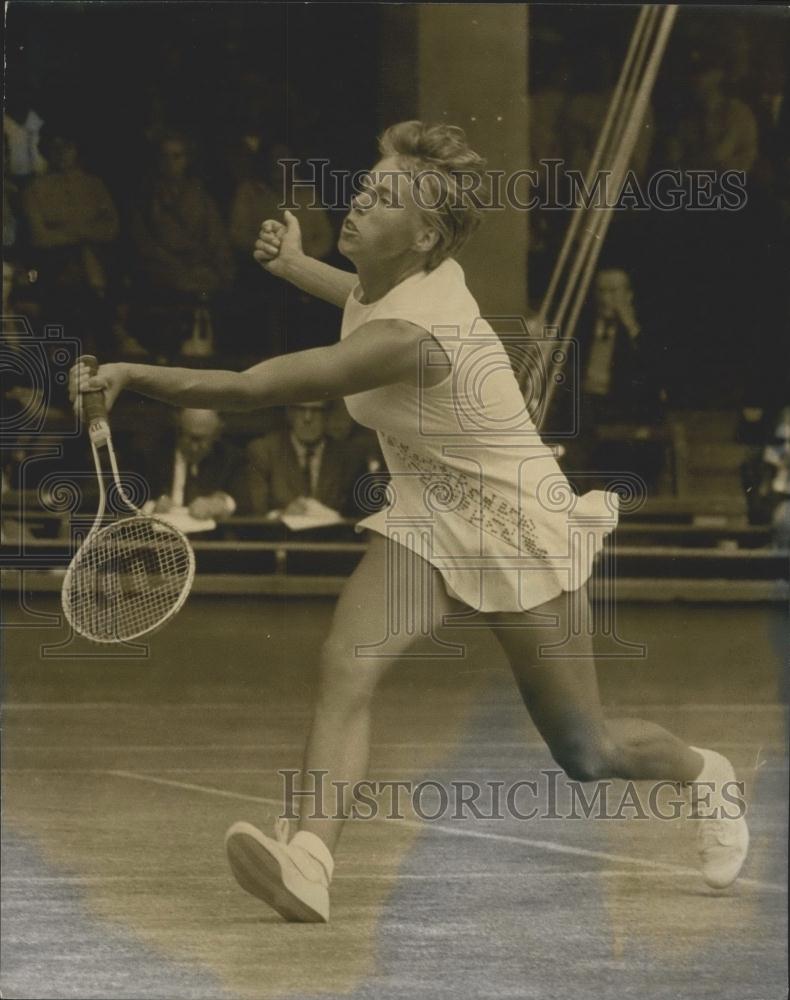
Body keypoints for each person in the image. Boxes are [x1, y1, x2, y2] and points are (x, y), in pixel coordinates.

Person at [71, 120, 749, 924]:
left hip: (514, 524)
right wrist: (294, 265)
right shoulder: (395, 287)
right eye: (366, 184)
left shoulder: (412, 336)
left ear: (424, 233)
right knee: (347, 662)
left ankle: (707, 774)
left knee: (587, 751)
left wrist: (130, 372)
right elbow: (358, 299)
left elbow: (254, 389)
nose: (358, 201)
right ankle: (311, 859)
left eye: (383, 198)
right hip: (427, 511)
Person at [245, 401, 370, 518]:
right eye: (300, 409)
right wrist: (282, 514)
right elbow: (256, 511)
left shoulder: (349, 457)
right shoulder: (264, 451)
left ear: (327, 415)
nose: (307, 418)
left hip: (334, 539)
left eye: (316, 410)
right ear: (289, 413)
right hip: (279, 538)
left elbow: (362, 516)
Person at [127, 407, 249, 520]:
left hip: (209, 538)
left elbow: (245, 504)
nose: (194, 447)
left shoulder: (230, 457)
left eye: (201, 440)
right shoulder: (150, 453)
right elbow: (128, 499)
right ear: (178, 429)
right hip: (159, 537)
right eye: (189, 437)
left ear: (216, 434)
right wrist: (152, 506)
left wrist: (220, 504)